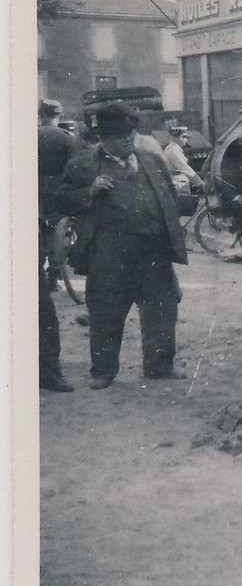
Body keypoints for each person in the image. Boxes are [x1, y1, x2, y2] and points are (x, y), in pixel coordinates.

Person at [57, 102, 189, 388]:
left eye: (129, 133)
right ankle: (103, 371)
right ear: (103, 138)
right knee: (106, 312)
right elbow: (62, 199)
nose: (127, 139)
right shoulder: (84, 164)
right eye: (118, 135)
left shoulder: (152, 160)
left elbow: (170, 197)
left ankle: (160, 366)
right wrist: (90, 191)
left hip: (154, 253)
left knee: (162, 311)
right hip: (110, 255)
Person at [38, 100, 80, 392]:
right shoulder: (63, 138)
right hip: (53, 201)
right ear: (58, 116)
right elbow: (75, 172)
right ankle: (49, 373)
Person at [161, 122, 204, 191]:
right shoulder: (174, 150)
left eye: (186, 137)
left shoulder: (170, 148)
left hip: (173, 182)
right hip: (178, 183)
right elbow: (185, 168)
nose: (186, 139)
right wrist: (200, 183)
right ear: (175, 138)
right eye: (183, 137)